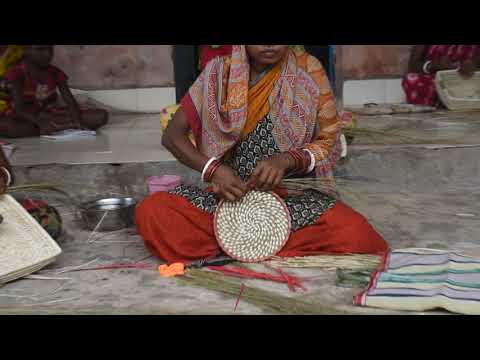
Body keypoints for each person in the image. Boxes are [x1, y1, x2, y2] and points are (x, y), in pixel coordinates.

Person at [136, 45, 388, 264]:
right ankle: (251, 243)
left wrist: (288, 159)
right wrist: (214, 170)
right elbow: (172, 136)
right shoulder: (218, 72)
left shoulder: (308, 69)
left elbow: (328, 141)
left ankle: (243, 246)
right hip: (228, 198)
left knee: (358, 235)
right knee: (152, 211)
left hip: (291, 200)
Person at [0, 45, 108, 138]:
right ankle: (58, 128)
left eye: (50, 49)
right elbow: (19, 108)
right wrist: (41, 123)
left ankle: (56, 128)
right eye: (40, 49)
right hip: (25, 116)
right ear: (26, 50)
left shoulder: (55, 73)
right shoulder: (16, 73)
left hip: (49, 113)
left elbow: (70, 101)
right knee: (8, 126)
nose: (47, 54)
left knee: (101, 116)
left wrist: (76, 120)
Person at [403, 45, 480, 107]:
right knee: (411, 79)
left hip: (469, 78)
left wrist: (474, 64)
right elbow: (413, 65)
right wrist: (434, 65)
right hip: (437, 80)